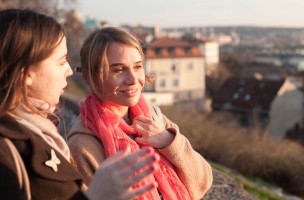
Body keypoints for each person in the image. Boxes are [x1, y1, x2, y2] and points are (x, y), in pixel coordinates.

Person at [0, 9, 161, 200]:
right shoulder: (6, 151)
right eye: (60, 62)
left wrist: (170, 142)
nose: (69, 70)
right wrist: (94, 196)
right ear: (27, 75)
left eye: (138, 66)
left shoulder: (41, 132)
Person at [67, 27, 213, 200]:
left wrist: (169, 142)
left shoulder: (152, 117)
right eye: (118, 70)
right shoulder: (83, 145)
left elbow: (203, 180)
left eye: (137, 67)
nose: (133, 79)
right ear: (92, 76)